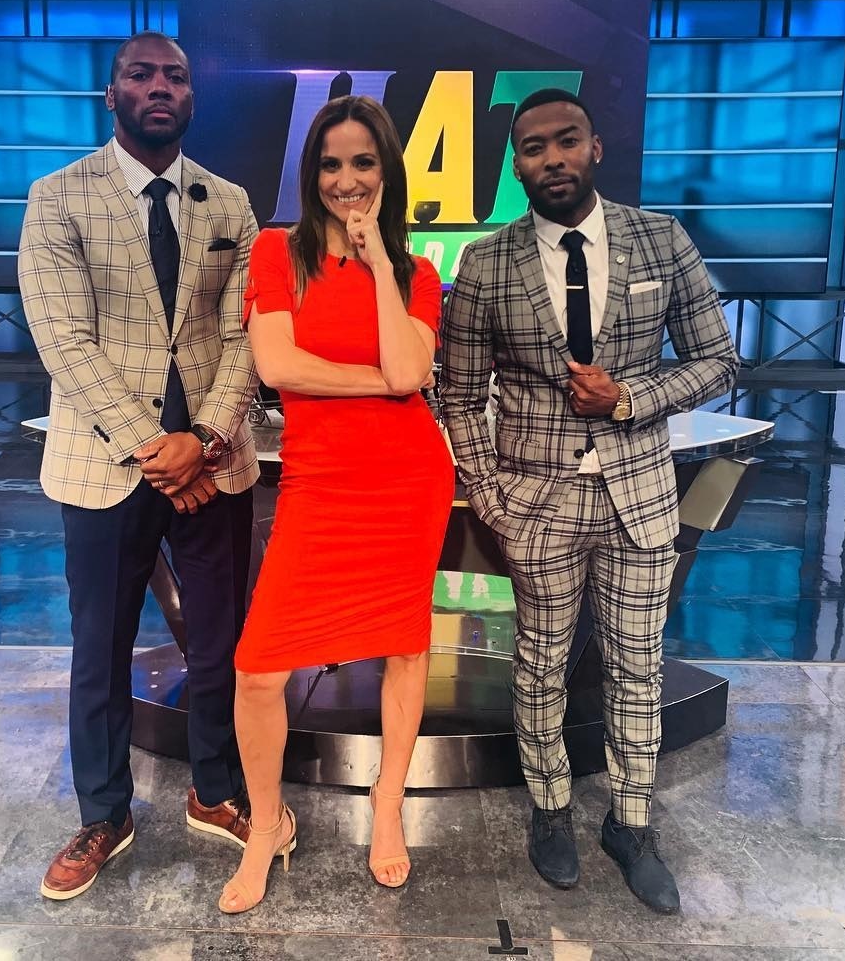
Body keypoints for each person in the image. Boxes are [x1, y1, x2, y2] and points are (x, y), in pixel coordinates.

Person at [440, 88, 738, 915]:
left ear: (595, 146)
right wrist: (491, 496)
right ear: (517, 164)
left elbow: (718, 361)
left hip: (639, 497)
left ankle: (632, 825)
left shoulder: (660, 238)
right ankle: (551, 810)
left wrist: (630, 398)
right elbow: (457, 393)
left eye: (566, 140)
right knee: (539, 665)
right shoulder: (486, 262)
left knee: (637, 666)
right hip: (535, 504)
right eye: (534, 147)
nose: (553, 158)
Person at [18, 31, 261, 901]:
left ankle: (215, 787)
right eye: (141, 73)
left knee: (222, 639)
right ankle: (104, 812)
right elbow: (64, 341)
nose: (160, 86)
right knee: (102, 644)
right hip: (105, 464)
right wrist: (158, 449)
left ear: (192, 96)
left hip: (215, 462)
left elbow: (246, 335)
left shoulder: (228, 202)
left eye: (176, 76)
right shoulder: (57, 198)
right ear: (111, 92)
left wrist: (207, 436)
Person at [218, 95, 455, 914]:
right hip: (320, 483)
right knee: (257, 669)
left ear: (386, 171)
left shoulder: (416, 274)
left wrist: (382, 264)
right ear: (310, 171)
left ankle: (387, 804)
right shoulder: (278, 253)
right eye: (330, 163)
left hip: (407, 481)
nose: (346, 179)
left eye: (363, 162)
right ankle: (268, 822)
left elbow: (411, 365)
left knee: (406, 650)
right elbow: (279, 366)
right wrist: (385, 383)